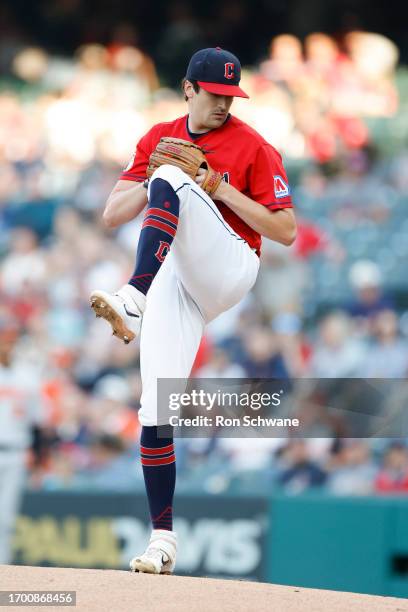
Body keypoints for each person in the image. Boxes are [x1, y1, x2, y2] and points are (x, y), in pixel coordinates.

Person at [90, 47, 296, 575]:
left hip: (231, 263)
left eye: (231, 95)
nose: (225, 104)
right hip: (176, 278)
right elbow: (113, 214)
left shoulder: (253, 145)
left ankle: (132, 297)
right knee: (155, 410)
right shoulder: (158, 135)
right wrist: (151, 173)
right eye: (215, 94)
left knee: (175, 180)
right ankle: (162, 539)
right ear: (189, 88)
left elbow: (285, 231)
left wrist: (220, 187)